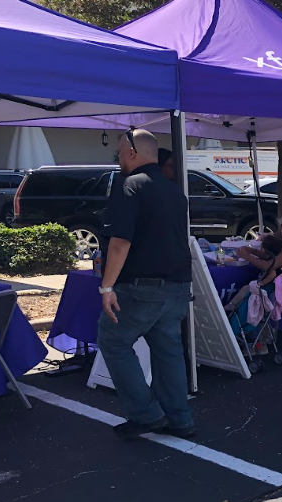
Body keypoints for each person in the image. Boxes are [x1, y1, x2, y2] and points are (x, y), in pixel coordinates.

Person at [97, 128, 195, 439]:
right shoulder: (174, 190)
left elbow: (120, 242)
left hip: (141, 287)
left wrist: (106, 287)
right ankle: (180, 419)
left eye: (120, 150)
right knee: (168, 351)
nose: (119, 156)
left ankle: (146, 413)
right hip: (177, 285)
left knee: (114, 341)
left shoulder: (130, 186)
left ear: (132, 151)